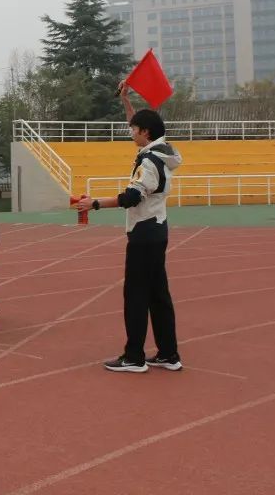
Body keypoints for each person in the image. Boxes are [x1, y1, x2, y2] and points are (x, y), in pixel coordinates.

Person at [78, 82, 183, 373]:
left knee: (136, 295)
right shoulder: (163, 150)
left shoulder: (148, 163)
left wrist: (94, 203)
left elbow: (131, 197)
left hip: (144, 234)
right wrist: (126, 100)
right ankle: (168, 353)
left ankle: (134, 357)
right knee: (158, 295)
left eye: (134, 129)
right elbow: (136, 122)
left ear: (145, 133)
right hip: (157, 230)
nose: (131, 132)